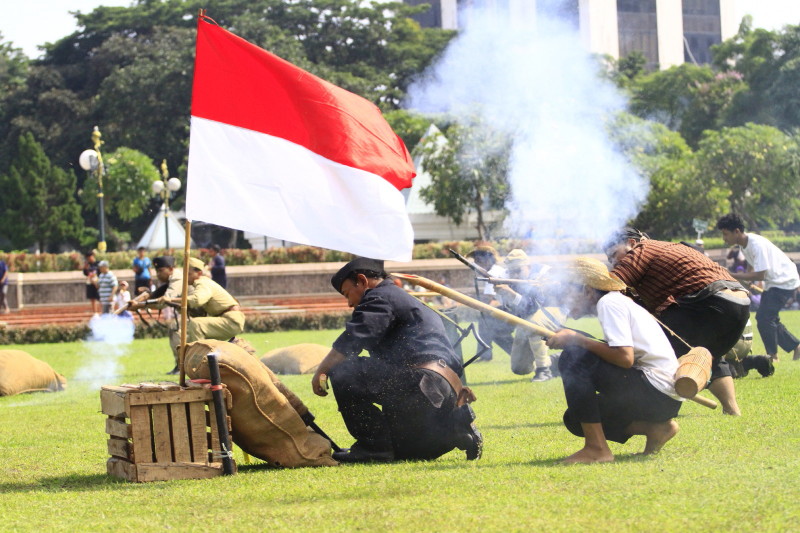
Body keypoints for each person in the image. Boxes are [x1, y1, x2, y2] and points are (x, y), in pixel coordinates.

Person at [311, 257, 482, 463]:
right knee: (403, 453)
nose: (349, 303)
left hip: (419, 382)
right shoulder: (400, 297)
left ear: (362, 281)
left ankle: (372, 447)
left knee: (343, 372)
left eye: (348, 293)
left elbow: (354, 338)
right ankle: (455, 430)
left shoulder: (379, 297)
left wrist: (322, 370)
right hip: (443, 390)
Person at [545, 257, 684, 464]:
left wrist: (576, 340)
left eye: (567, 293)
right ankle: (656, 428)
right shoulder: (617, 301)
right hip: (664, 400)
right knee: (575, 419)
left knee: (573, 357)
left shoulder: (609, 303)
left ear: (587, 290)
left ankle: (597, 449)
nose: (565, 301)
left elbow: (624, 358)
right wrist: (574, 337)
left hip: (654, 392)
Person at [604, 228, 749, 416]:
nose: (614, 262)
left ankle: (653, 414)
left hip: (710, 301)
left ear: (631, 243)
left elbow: (608, 286)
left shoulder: (641, 249)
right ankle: (732, 410)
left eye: (615, 255)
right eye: (609, 260)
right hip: (738, 305)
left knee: (653, 351)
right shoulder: (660, 251)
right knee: (703, 352)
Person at [717, 213, 800, 362]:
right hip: (776, 282)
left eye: (726, 234)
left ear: (737, 231)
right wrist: (747, 281)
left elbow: (761, 275)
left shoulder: (756, 244)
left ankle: (772, 356)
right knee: (769, 318)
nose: (724, 238)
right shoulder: (744, 245)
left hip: (784, 281)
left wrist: (734, 275)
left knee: (764, 318)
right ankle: (796, 347)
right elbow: (752, 265)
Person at [494, 249, 564, 382]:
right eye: (512, 271)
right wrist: (505, 295)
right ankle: (556, 360)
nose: (515, 274)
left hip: (553, 309)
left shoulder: (541, 276)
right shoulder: (511, 280)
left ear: (529, 267)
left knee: (533, 323)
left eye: (518, 270)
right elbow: (517, 310)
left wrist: (512, 294)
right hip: (528, 319)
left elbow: (533, 305)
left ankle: (543, 369)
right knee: (519, 368)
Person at [129, 256, 184, 373]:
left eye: (160, 271)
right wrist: (147, 296)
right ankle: (180, 365)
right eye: (156, 271)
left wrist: (140, 305)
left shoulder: (177, 278)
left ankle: (183, 366)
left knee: (176, 329)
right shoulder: (172, 278)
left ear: (170, 268)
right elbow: (158, 296)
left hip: (200, 313)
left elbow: (165, 300)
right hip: (191, 313)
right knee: (174, 329)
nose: (158, 274)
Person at [466, 242, 513, 361]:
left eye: (478, 260)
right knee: (487, 323)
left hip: (513, 308)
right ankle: (486, 355)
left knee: (489, 323)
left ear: (487, 260)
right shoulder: (495, 271)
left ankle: (486, 355)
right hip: (509, 308)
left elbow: (488, 298)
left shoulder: (494, 273)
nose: (475, 264)